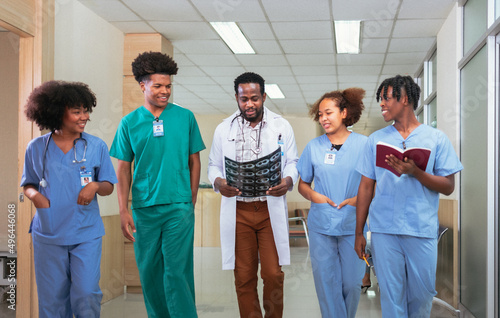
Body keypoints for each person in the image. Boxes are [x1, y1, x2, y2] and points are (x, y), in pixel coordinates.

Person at [354, 75, 463, 317]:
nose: (381, 104)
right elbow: (365, 188)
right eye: (379, 99)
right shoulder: (376, 140)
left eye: (386, 98)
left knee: (422, 294)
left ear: (404, 99)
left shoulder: (436, 139)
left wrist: (415, 172)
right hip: (384, 230)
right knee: (392, 297)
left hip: (420, 229)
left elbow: (448, 186)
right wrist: (359, 231)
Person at [110, 51, 205, 317]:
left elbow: (194, 161)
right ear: (143, 86)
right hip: (144, 208)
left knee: (177, 270)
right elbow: (123, 168)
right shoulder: (129, 123)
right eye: (158, 86)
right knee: (150, 271)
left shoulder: (184, 117)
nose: (165, 91)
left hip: (178, 207)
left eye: (168, 86)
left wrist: (191, 198)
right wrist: (123, 209)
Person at [20, 80, 117, 317]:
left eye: (86, 111)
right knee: (52, 300)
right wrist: (37, 199)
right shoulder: (36, 148)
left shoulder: (96, 146)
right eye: (77, 111)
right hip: (49, 231)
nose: (84, 116)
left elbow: (108, 187)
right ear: (56, 113)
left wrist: (94, 186)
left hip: (85, 232)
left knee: (86, 294)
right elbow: (28, 184)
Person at [208, 72, 298, 318]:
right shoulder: (223, 128)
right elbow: (213, 165)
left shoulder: (281, 125)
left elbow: (292, 162)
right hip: (239, 211)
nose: (249, 104)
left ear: (264, 97)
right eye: (244, 98)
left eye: (255, 98)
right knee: (244, 276)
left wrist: (288, 180)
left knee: (273, 274)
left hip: (269, 210)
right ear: (236, 98)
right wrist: (218, 182)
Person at [297, 88, 367, 318]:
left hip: (353, 224)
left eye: (328, 112)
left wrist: (359, 199)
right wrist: (314, 195)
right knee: (327, 283)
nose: (323, 118)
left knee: (351, 283)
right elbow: (302, 184)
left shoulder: (365, 145)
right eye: (320, 114)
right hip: (321, 224)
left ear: (344, 112)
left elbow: (375, 185)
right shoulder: (313, 147)